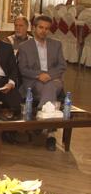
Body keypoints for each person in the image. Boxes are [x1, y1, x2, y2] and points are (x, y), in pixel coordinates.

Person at [17, 15, 67, 151]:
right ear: (34, 28)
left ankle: (40, 119)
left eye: (46, 28)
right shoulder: (24, 46)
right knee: (49, 88)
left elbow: (62, 66)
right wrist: (39, 75)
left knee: (50, 86)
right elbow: (23, 69)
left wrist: (49, 75)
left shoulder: (56, 44)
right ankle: (50, 134)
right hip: (33, 82)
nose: (44, 31)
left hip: (53, 80)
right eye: (41, 27)